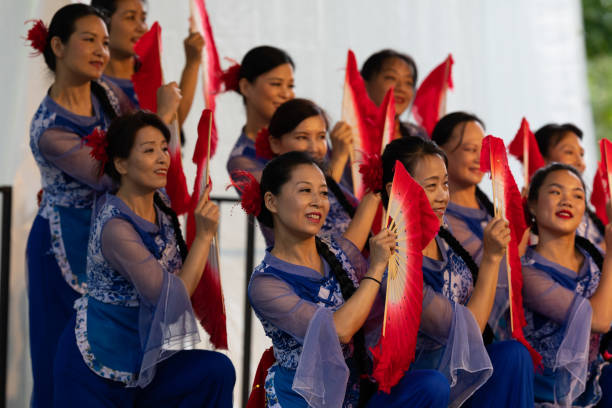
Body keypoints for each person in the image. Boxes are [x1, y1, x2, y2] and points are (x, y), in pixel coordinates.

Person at [53, 110, 235, 406]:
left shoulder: (160, 201)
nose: (163, 157)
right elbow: (167, 300)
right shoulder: (115, 227)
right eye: (150, 150)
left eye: (164, 147)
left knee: (216, 372)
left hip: (144, 359)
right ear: (121, 163)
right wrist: (203, 237)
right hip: (96, 366)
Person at [241, 151, 450, 407]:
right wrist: (375, 268)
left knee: (431, 386)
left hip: (355, 394)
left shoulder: (338, 252)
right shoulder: (266, 284)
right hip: (303, 400)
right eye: (306, 191)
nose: (318, 202)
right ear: (272, 202)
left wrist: (386, 186)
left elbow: (368, 211)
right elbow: (338, 330)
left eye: (324, 193)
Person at [25, 4, 130, 405]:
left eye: (105, 42)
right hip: (59, 249)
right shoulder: (50, 128)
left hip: (108, 242)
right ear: (58, 46)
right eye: (88, 39)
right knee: (58, 354)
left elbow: (146, 140)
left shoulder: (108, 95)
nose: (101, 50)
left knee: (108, 355)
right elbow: (110, 174)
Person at [381, 136, 534, 407]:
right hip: (416, 391)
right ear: (397, 191)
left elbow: (486, 313)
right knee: (433, 384)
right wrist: (490, 259)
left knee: (513, 354)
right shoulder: (392, 265)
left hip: (452, 379)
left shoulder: (446, 242)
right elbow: (468, 330)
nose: (443, 195)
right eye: (431, 186)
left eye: (445, 184)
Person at [522, 163, 612, 406]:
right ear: (532, 203)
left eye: (577, 195)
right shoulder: (526, 272)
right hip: (550, 398)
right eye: (555, 192)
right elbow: (600, 320)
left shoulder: (595, 259)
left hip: (598, 383)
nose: (567, 201)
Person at [430, 111, 511, 340]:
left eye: (483, 150)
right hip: (469, 335)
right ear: (441, 153)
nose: (479, 158)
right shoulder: (439, 220)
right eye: (469, 149)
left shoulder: (494, 210)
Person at [262, 98, 379, 250]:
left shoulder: (331, 186)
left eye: (321, 137)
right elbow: (340, 258)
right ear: (275, 143)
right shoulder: (283, 195)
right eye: (302, 137)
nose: (314, 147)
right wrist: (371, 201)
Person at [91, 0, 188, 127]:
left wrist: (192, 63)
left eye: (143, 18)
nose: (141, 27)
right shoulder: (90, 84)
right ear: (103, 22)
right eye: (130, 17)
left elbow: (175, 126)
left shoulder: (149, 72)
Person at [534, 123, 606, 250]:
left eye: (582, 154)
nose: (580, 162)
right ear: (540, 158)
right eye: (569, 152)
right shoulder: (538, 216)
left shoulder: (587, 215)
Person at [361, 49, 427, 139]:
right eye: (391, 78)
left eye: (408, 82)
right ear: (364, 84)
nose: (401, 88)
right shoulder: (349, 135)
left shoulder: (418, 136)